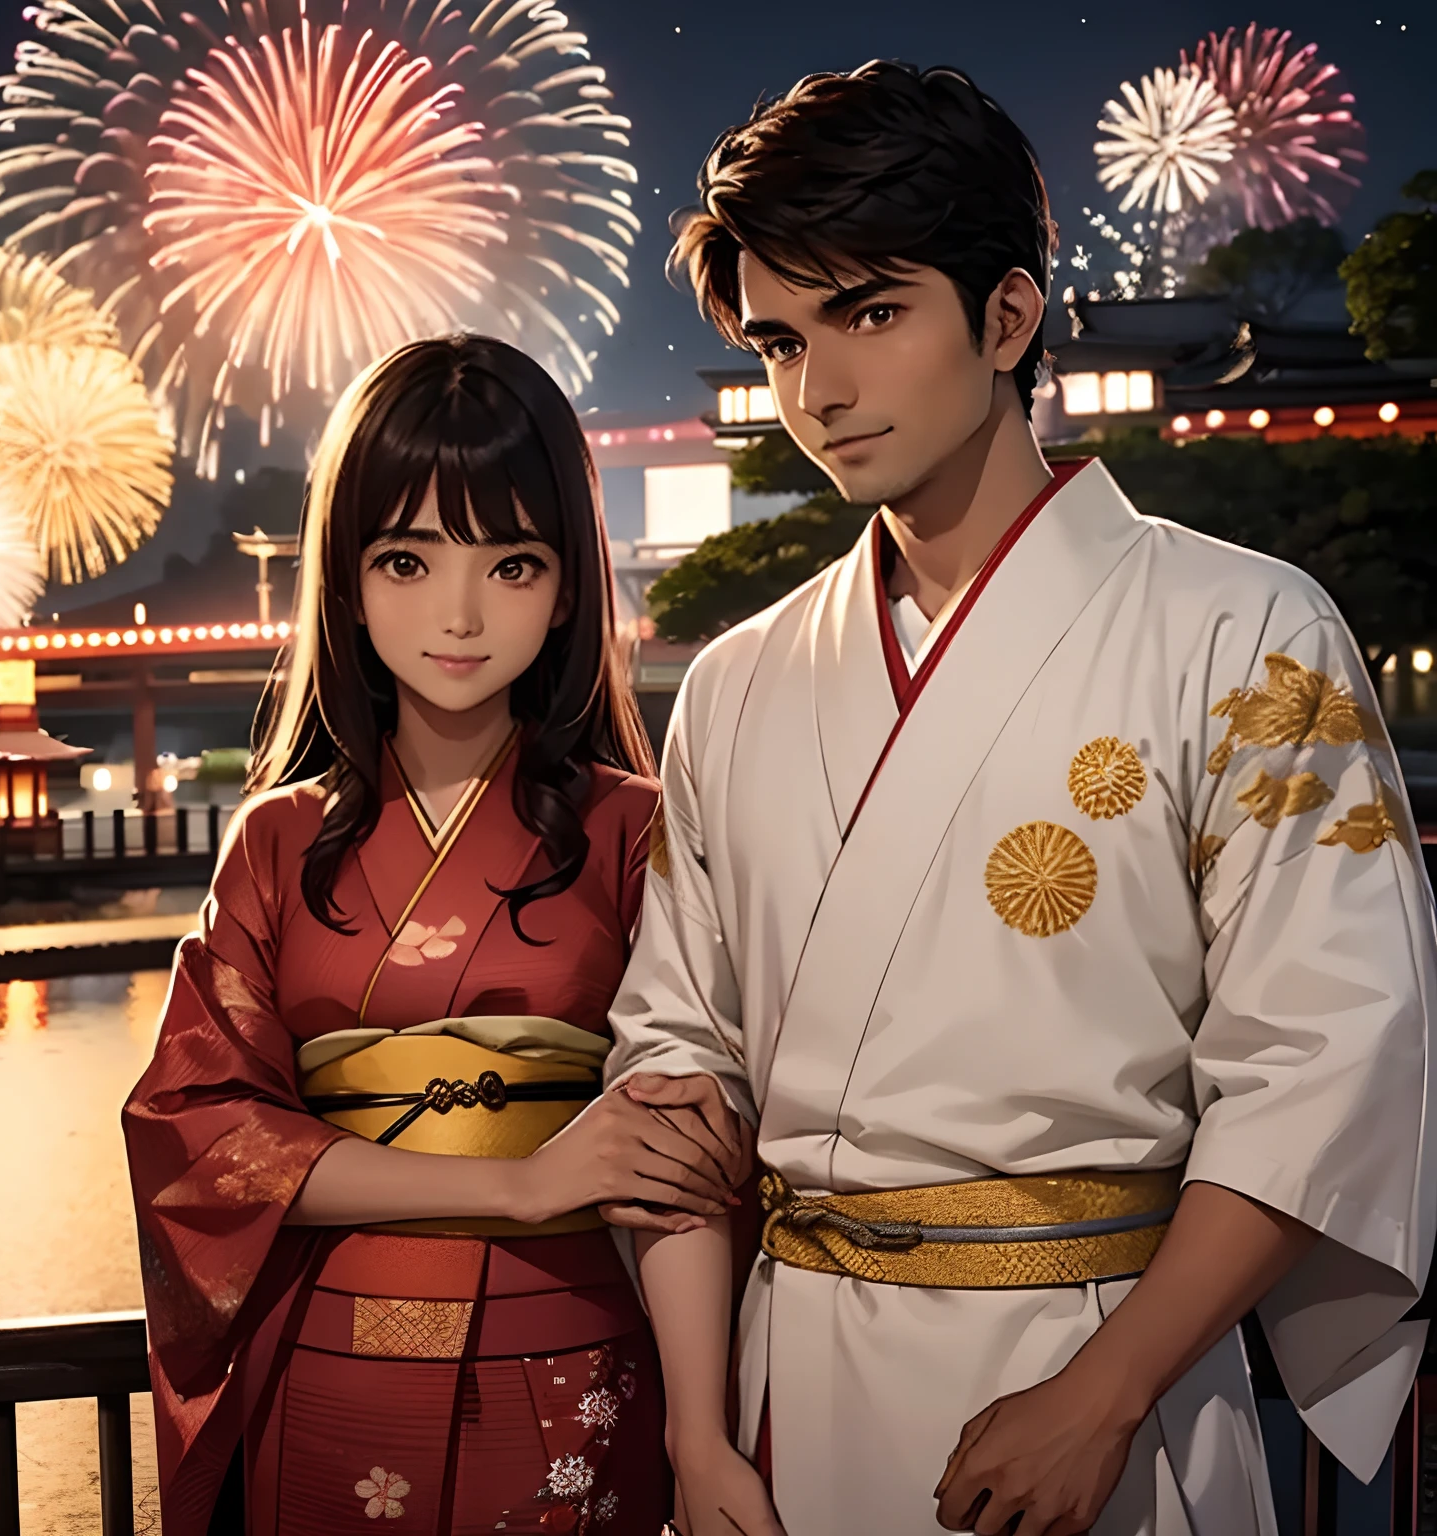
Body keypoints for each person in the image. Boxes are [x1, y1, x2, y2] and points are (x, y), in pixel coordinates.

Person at [603, 61, 1437, 1536]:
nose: (821, 392)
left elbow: (1327, 1063)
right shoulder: (733, 685)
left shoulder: (1246, 628)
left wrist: (1105, 1392)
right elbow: (672, 1074)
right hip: (786, 1397)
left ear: (1007, 315)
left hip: (1110, 1380)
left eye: (869, 313)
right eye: (783, 341)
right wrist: (696, 1435)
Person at [123, 336, 740, 1536]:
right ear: (345, 581)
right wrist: (520, 1184)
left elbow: (687, 1153)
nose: (458, 614)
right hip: (330, 1370)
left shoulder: (637, 831)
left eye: (512, 564)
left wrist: (701, 1437)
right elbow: (197, 1132)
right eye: (407, 559)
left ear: (569, 586)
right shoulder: (274, 843)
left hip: (576, 1362)